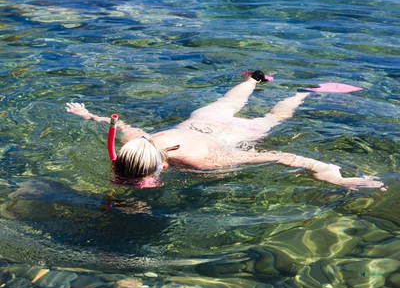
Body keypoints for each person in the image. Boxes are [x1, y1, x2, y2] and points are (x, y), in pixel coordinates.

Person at [65, 71, 385, 190]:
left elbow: (281, 155)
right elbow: (120, 124)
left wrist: (330, 173)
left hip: (236, 132)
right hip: (203, 120)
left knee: (274, 119)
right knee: (229, 100)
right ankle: (252, 79)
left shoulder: (206, 163)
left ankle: (306, 91)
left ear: (163, 167)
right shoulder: (140, 143)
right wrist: (88, 115)